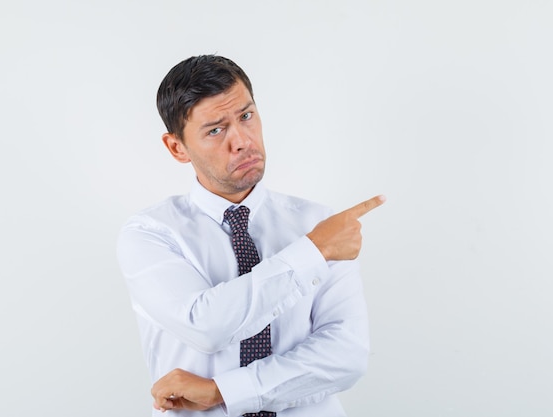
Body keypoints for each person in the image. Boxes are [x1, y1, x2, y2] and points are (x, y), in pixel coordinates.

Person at [117, 54, 385, 417]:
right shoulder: (151, 234)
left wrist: (222, 392)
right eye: (215, 129)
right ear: (177, 147)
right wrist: (314, 251)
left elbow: (345, 355)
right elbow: (206, 326)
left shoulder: (318, 221)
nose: (241, 141)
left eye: (246, 116)